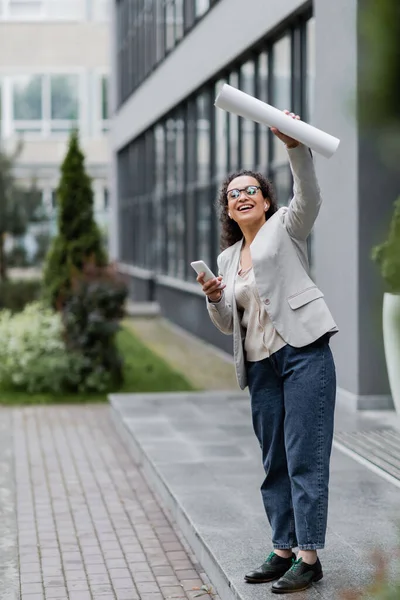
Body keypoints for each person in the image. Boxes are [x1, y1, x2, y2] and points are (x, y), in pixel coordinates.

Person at [196, 111, 338, 595]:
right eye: (233, 194)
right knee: (274, 458)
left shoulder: (286, 227)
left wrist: (294, 144)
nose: (241, 196)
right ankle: (282, 549)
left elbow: (310, 195)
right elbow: (227, 325)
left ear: (265, 198)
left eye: (249, 189)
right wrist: (216, 297)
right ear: (229, 210)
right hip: (260, 365)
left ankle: (309, 556)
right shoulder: (225, 260)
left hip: (303, 352)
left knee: (305, 455)